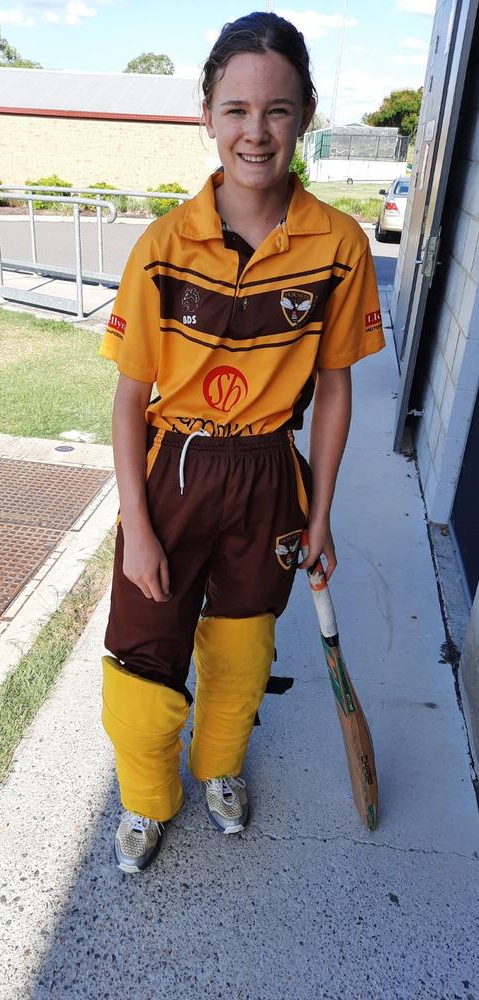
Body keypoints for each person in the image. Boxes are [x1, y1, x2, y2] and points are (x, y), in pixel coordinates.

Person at [99, 11, 385, 874]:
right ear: (207, 114)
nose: (254, 132)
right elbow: (129, 396)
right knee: (144, 663)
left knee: (241, 647)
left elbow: (334, 389)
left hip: (268, 473)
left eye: (277, 111)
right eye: (236, 110)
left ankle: (218, 767)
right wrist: (138, 525)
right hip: (173, 470)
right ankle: (149, 802)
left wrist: (322, 511)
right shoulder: (161, 247)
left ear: (304, 115)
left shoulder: (338, 244)